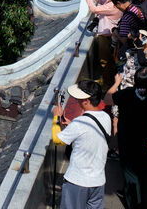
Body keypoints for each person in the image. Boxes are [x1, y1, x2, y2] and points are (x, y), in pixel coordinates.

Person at [52, 79, 112, 209]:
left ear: (87, 101)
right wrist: (72, 125)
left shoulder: (79, 124)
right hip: (98, 182)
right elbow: (89, 134)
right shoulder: (106, 118)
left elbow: (57, 140)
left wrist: (56, 118)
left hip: (77, 181)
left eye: (79, 99)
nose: (77, 101)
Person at [112, 67, 147, 209]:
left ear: (134, 80)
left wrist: (116, 83)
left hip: (127, 141)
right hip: (144, 140)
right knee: (141, 173)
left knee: (130, 174)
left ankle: (133, 202)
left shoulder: (126, 94)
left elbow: (108, 98)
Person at [85, 0, 124, 89]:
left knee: (105, 62)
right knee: (108, 61)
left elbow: (94, 9)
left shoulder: (112, 6)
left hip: (107, 37)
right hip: (107, 36)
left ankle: (107, 85)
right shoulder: (112, 2)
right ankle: (108, 82)